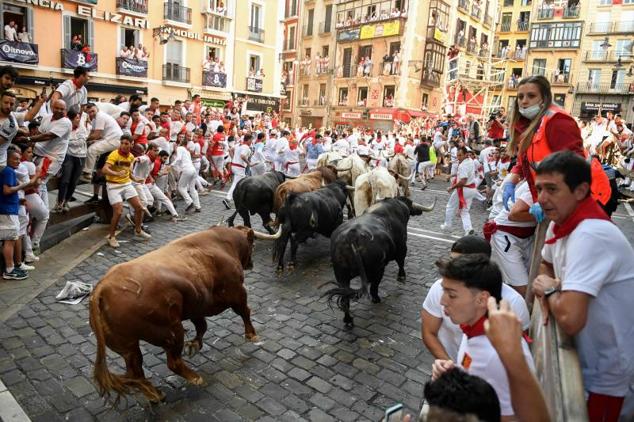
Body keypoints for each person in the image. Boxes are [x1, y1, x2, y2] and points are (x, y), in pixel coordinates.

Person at [532, 151, 634, 422]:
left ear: (581, 191)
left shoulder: (590, 233)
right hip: (587, 363)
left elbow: (570, 319)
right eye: (539, 188)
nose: (542, 198)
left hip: (607, 375)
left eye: (552, 189)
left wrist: (550, 290)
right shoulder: (561, 222)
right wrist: (552, 289)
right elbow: (546, 265)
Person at [431, 254, 535, 420]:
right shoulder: (476, 327)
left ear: (481, 299)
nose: (443, 301)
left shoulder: (495, 356)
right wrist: (455, 374)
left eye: (451, 295)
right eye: (444, 291)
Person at [503, 75, 610, 213]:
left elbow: (573, 166)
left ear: (544, 98)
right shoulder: (530, 125)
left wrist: (551, 200)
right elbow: (525, 161)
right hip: (562, 195)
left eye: (531, 96)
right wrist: (511, 181)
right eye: (520, 97)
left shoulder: (557, 122)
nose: (524, 101)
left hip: (588, 195)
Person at [421, 235, 530, 361]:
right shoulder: (440, 288)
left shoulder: (514, 303)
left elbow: (518, 355)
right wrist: (450, 367)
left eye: (452, 295)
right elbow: (429, 331)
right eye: (452, 260)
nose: (443, 301)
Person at [486, 181, 536, 297]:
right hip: (506, 236)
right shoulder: (536, 183)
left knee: (527, 281)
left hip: (526, 236)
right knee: (523, 287)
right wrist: (546, 215)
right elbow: (514, 214)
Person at [102, 135, 151, 248]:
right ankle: (111, 236)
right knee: (118, 212)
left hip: (126, 184)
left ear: (131, 144)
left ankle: (138, 231)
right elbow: (105, 169)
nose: (123, 146)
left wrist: (135, 179)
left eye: (126, 143)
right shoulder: (114, 154)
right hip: (113, 186)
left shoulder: (131, 157)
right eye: (122, 143)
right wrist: (116, 174)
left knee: (139, 207)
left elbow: (128, 172)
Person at [1, 149, 39, 279]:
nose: (18, 161)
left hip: (8, 207)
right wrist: (20, 188)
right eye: (15, 159)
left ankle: (11, 267)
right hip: (8, 210)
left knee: (10, 239)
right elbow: (6, 191)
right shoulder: (8, 171)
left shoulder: (7, 171)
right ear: (7, 159)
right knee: (10, 239)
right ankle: (10, 269)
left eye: (19, 158)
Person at [441, 146, 477, 235]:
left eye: (460, 155)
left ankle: (447, 225)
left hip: (463, 189)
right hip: (471, 189)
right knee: (465, 211)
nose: (458, 157)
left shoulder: (463, 165)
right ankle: (468, 229)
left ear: (466, 154)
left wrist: (451, 187)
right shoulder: (470, 161)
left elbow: (463, 180)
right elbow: (461, 174)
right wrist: (451, 176)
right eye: (457, 155)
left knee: (450, 206)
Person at [55, 109, 86, 212]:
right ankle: (59, 202)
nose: (78, 120)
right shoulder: (65, 127)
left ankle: (66, 201)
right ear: (71, 119)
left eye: (79, 117)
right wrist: (70, 141)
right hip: (68, 155)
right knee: (65, 180)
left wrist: (67, 141)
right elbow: (60, 140)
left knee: (74, 182)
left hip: (81, 156)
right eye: (77, 118)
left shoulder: (82, 128)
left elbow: (80, 143)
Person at [172, 133, 201, 213]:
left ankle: (190, 202)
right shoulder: (187, 151)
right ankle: (198, 206)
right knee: (192, 188)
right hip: (192, 169)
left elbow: (178, 159)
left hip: (187, 169)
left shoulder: (180, 148)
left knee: (181, 187)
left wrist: (171, 165)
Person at [223, 134, 252, 209]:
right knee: (236, 184)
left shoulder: (239, 144)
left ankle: (242, 198)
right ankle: (228, 199)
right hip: (239, 167)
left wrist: (233, 159)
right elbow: (242, 156)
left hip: (234, 166)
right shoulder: (246, 147)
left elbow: (230, 150)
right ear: (248, 140)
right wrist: (249, 163)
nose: (251, 142)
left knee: (243, 182)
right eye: (251, 140)